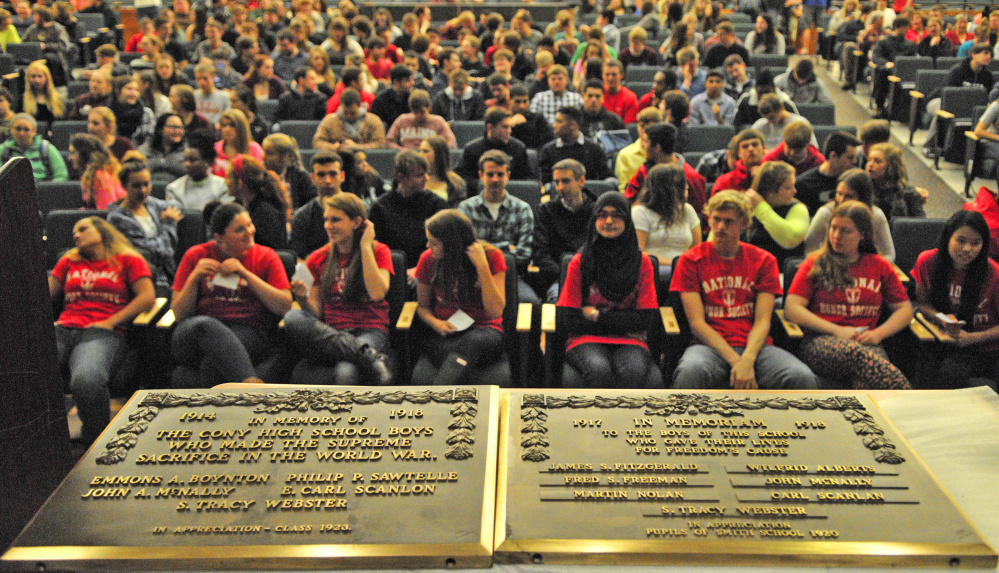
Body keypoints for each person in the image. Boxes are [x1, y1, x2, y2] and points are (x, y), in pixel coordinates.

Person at [670, 190, 817, 390]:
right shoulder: (691, 260)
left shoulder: (764, 261)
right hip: (709, 347)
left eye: (728, 222)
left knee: (801, 376)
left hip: (756, 347)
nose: (720, 227)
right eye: (716, 220)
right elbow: (697, 324)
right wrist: (736, 362)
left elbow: (763, 321)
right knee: (691, 371)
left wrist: (747, 359)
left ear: (744, 224)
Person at [785, 201, 913, 389]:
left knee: (865, 385)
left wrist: (878, 333)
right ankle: (908, 397)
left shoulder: (878, 265)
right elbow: (792, 308)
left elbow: (905, 310)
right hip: (820, 342)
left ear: (862, 235)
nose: (836, 236)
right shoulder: (816, 263)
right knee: (858, 355)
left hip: (867, 343)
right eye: (833, 228)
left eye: (845, 231)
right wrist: (836, 330)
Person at [49, 217, 155, 444]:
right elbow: (45, 295)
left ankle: (97, 442)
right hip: (63, 328)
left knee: (86, 379)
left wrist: (111, 322)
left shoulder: (128, 260)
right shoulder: (69, 260)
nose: (76, 235)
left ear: (102, 230)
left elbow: (147, 297)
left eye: (82, 229)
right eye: (73, 233)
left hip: (101, 332)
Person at [170, 202, 292, 387]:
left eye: (250, 225)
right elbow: (179, 314)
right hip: (196, 331)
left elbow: (284, 306)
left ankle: (214, 413)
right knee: (206, 326)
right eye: (239, 230)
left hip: (248, 330)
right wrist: (194, 278)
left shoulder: (266, 256)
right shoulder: (196, 256)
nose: (249, 232)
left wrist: (246, 274)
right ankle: (252, 386)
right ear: (219, 238)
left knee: (212, 365)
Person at [554, 191, 662, 388]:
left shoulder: (642, 262)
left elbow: (646, 319)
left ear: (628, 220)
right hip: (585, 340)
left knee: (632, 372)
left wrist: (596, 316)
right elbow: (568, 318)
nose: (609, 221)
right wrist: (625, 322)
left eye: (617, 215)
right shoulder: (580, 261)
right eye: (602, 215)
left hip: (631, 343)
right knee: (598, 370)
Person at [284, 193, 393, 385]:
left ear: (357, 222)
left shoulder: (379, 250)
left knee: (346, 372)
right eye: (326, 219)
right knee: (292, 317)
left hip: (368, 330)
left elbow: (377, 293)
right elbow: (316, 313)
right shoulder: (317, 257)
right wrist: (301, 299)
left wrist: (365, 247)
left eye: (335, 220)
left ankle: (360, 356)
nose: (328, 226)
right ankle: (366, 355)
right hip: (330, 333)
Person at [414, 209, 506, 385]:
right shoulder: (428, 259)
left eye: (434, 243)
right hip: (447, 332)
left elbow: (495, 312)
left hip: (485, 331)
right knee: (456, 352)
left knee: (472, 342)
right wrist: (437, 324)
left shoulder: (491, 257)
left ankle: (437, 398)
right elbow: (423, 307)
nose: (428, 246)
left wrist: (482, 267)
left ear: (452, 244)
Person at [913, 210, 999, 389]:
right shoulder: (928, 261)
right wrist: (942, 319)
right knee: (920, 363)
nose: (967, 249)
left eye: (976, 243)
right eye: (961, 241)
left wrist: (973, 338)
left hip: (985, 348)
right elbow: (922, 304)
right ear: (947, 238)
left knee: (951, 373)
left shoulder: (994, 274)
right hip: (942, 338)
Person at [457, 149, 538, 305]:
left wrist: (482, 248)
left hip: (511, 277)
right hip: (472, 276)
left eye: (500, 174)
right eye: (490, 174)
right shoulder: (466, 208)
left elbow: (524, 254)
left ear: (508, 175)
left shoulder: (522, 208)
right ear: (481, 175)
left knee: (531, 304)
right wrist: (508, 247)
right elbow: (464, 249)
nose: (495, 179)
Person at [108, 154, 184, 289]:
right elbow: (160, 251)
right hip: (145, 279)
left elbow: (176, 205)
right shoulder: (118, 218)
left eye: (146, 184)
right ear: (124, 186)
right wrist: (168, 223)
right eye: (136, 186)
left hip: (169, 276)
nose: (143, 191)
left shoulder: (150, 204)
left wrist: (170, 213)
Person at [368, 150, 447, 274]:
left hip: (428, 270)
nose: (426, 178)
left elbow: (443, 246)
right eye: (419, 175)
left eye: (426, 173)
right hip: (388, 271)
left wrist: (419, 270)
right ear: (400, 177)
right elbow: (375, 246)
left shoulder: (437, 205)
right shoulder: (380, 207)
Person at [531, 158, 595, 301]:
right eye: (557, 182)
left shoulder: (596, 211)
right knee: (557, 299)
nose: (559, 187)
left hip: (592, 277)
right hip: (558, 277)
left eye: (565, 181)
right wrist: (566, 273)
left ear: (581, 181)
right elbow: (540, 254)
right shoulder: (545, 211)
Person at [805, 168, 896, 261]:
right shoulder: (825, 213)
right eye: (839, 194)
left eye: (849, 196)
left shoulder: (876, 216)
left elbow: (888, 254)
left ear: (862, 198)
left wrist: (868, 268)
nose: (842, 200)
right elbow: (810, 251)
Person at [633, 163, 702, 281]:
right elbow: (639, 253)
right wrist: (675, 264)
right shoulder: (640, 212)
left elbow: (697, 250)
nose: (687, 189)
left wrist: (682, 265)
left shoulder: (687, 210)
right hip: (653, 269)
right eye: (682, 186)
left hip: (684, 269)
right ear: (668, 190)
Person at [746, 161, 809, 268]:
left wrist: (761, 207)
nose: (794, 191)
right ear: (769, 191)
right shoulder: (747, 207)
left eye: (793, 186)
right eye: (788, 188)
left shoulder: (798, 208)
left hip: (782, 272)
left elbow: (791, 238)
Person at [225, 154, 289, 250]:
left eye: (228, 178)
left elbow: (267, 253)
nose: (225, 182)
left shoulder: (265, 213)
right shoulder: (237, 206)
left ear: (240, 182)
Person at [538, 105, 612, 185]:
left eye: (559, 121)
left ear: (572, 125)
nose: (554, 125)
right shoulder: (548, 150)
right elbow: (545, 182)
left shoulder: (594, 149)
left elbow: (607, 177)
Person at [456, 107, 534, 182]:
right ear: (490, 127)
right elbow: (461, 178)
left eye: (510, 127)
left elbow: (528, 180)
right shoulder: (472, 150)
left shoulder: (518, 148)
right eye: (505, 127)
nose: (509, 131)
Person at [793, 131, 862, 215]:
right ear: (833, 156)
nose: (854, 161)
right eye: (850, 157)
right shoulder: (803, 185)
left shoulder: (854, 179)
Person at [291, 150, 344, 258]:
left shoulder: (360, 211)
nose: (328, 180)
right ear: (313, 178)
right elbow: (300, 260)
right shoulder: (301, 217)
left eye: (333, 174)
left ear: (342, 176)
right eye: (321, 175)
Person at [165, 131, 229, 210]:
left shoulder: (223, 187)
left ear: (207, 161)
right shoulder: (174, 189)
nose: (187, 164)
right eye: (185, 160)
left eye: (192, 160)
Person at [866, 142, 925, 224]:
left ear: (891, 166)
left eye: (877, 161)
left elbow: (921, 226)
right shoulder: (863, 189)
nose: (870, 164)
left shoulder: (909, 194)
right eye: (869, 160)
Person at [0, 113, 68, 181]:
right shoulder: (3, 150)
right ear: (11, 130)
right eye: (18, 129)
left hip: (41, 188)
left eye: (26, 130)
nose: (21, 133)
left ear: (34, 131)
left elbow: (61, 175)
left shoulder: (47, 148)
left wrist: (48, 188)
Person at [313, 87, 386, 150]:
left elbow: (380, 144)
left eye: (353, 113)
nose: (349, 116)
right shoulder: (330, 120)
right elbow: (317, 142)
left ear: (359, 106)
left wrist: (357, 147)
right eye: (345, 112)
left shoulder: (373, 121)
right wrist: (333, 147)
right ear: (341, 106)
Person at [386, 89, 457, 150]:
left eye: (421, 112)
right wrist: (400, 149)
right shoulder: (402, 120)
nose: (418, 116)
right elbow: (389, 141)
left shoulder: (438, 121)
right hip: (407, 158)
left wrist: (435, 152)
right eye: (415, 112)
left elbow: (451, 143)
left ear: (429, 107)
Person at [70, 133, 125, 209]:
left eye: (73, 153)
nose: (70, 158)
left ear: (84, 154)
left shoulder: (99, 177)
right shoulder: (97, 173)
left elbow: (105, 211)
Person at [263, 132, 316, 210]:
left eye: (269, 153)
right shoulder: (261, 177)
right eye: (264, 152)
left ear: (285, 156)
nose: (263, 156)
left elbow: (312, 205)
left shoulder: (301, 177)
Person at [212, 109, 264, 177]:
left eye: (232, 125)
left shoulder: (254, 149)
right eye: (224, 125)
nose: (227, 129)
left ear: (241, 128)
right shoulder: (215, 148)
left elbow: (261, 174)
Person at [419, 135, 466, 207]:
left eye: (425, 151)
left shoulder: (455, 183)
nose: (420, 155)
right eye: (420, 151)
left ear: (438, 154)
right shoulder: (414, 180)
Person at [19, 60, 64, 125]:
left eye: (40, 76)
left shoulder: (58, 98)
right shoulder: (22, 99)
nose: (36, 80)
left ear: (46, 78)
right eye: (33, 76)